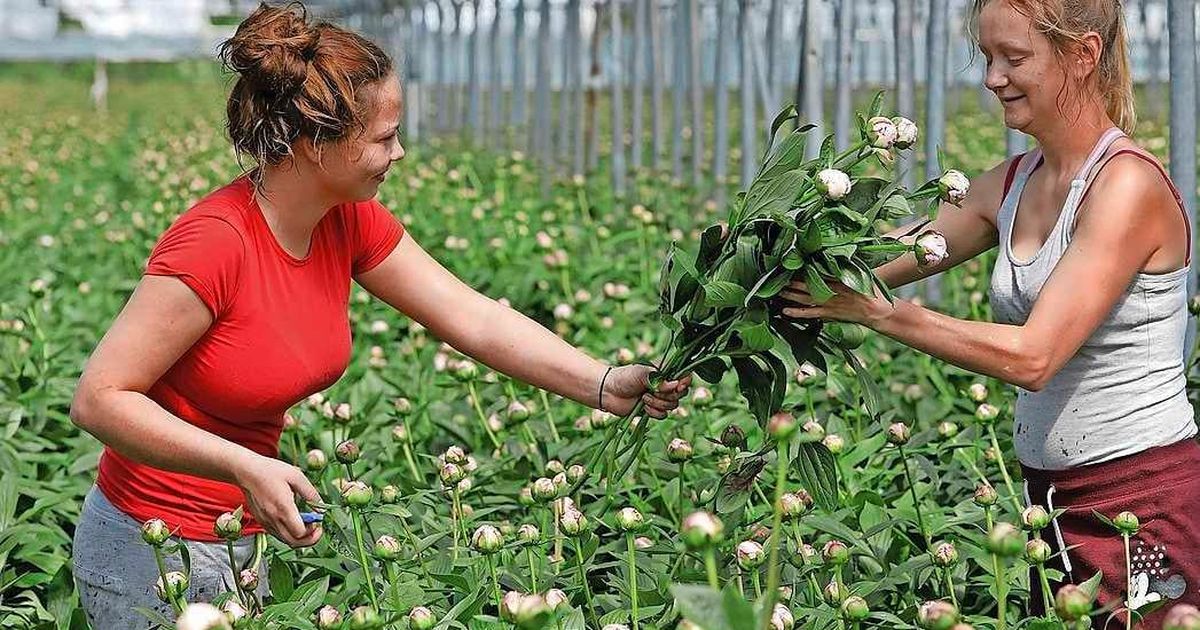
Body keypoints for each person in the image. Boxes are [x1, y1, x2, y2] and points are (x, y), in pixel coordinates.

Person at [67, 4, 690, 627]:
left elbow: (470, 316)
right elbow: (99, 398)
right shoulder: (215, 242)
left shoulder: (346, 219)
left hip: (241, 541)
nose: (401, 153)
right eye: (384, 138)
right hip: (149, 552)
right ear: (314, 144)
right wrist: (241, 463)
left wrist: (603, 384)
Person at [779, 0, 1196, 625]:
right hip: (1049, 504)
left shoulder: (1125, 187)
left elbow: (1035, 355)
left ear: (1083, 55)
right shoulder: (1011, 184)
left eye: (1015, 57)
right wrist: (774, 265)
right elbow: (884, 255)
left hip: (1140, 500)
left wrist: (881, 314)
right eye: (988, 56)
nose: (992, 77)